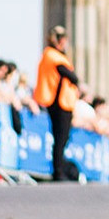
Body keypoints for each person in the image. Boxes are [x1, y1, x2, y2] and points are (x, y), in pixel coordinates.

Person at [33, 26, 83, 181]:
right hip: (58, 103)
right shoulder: (52, 55)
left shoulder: (55, 56)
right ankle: (58, 171)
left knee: (62, 138)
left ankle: (60, 168)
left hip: (63, 103)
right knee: (60, 138)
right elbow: (72, 76)